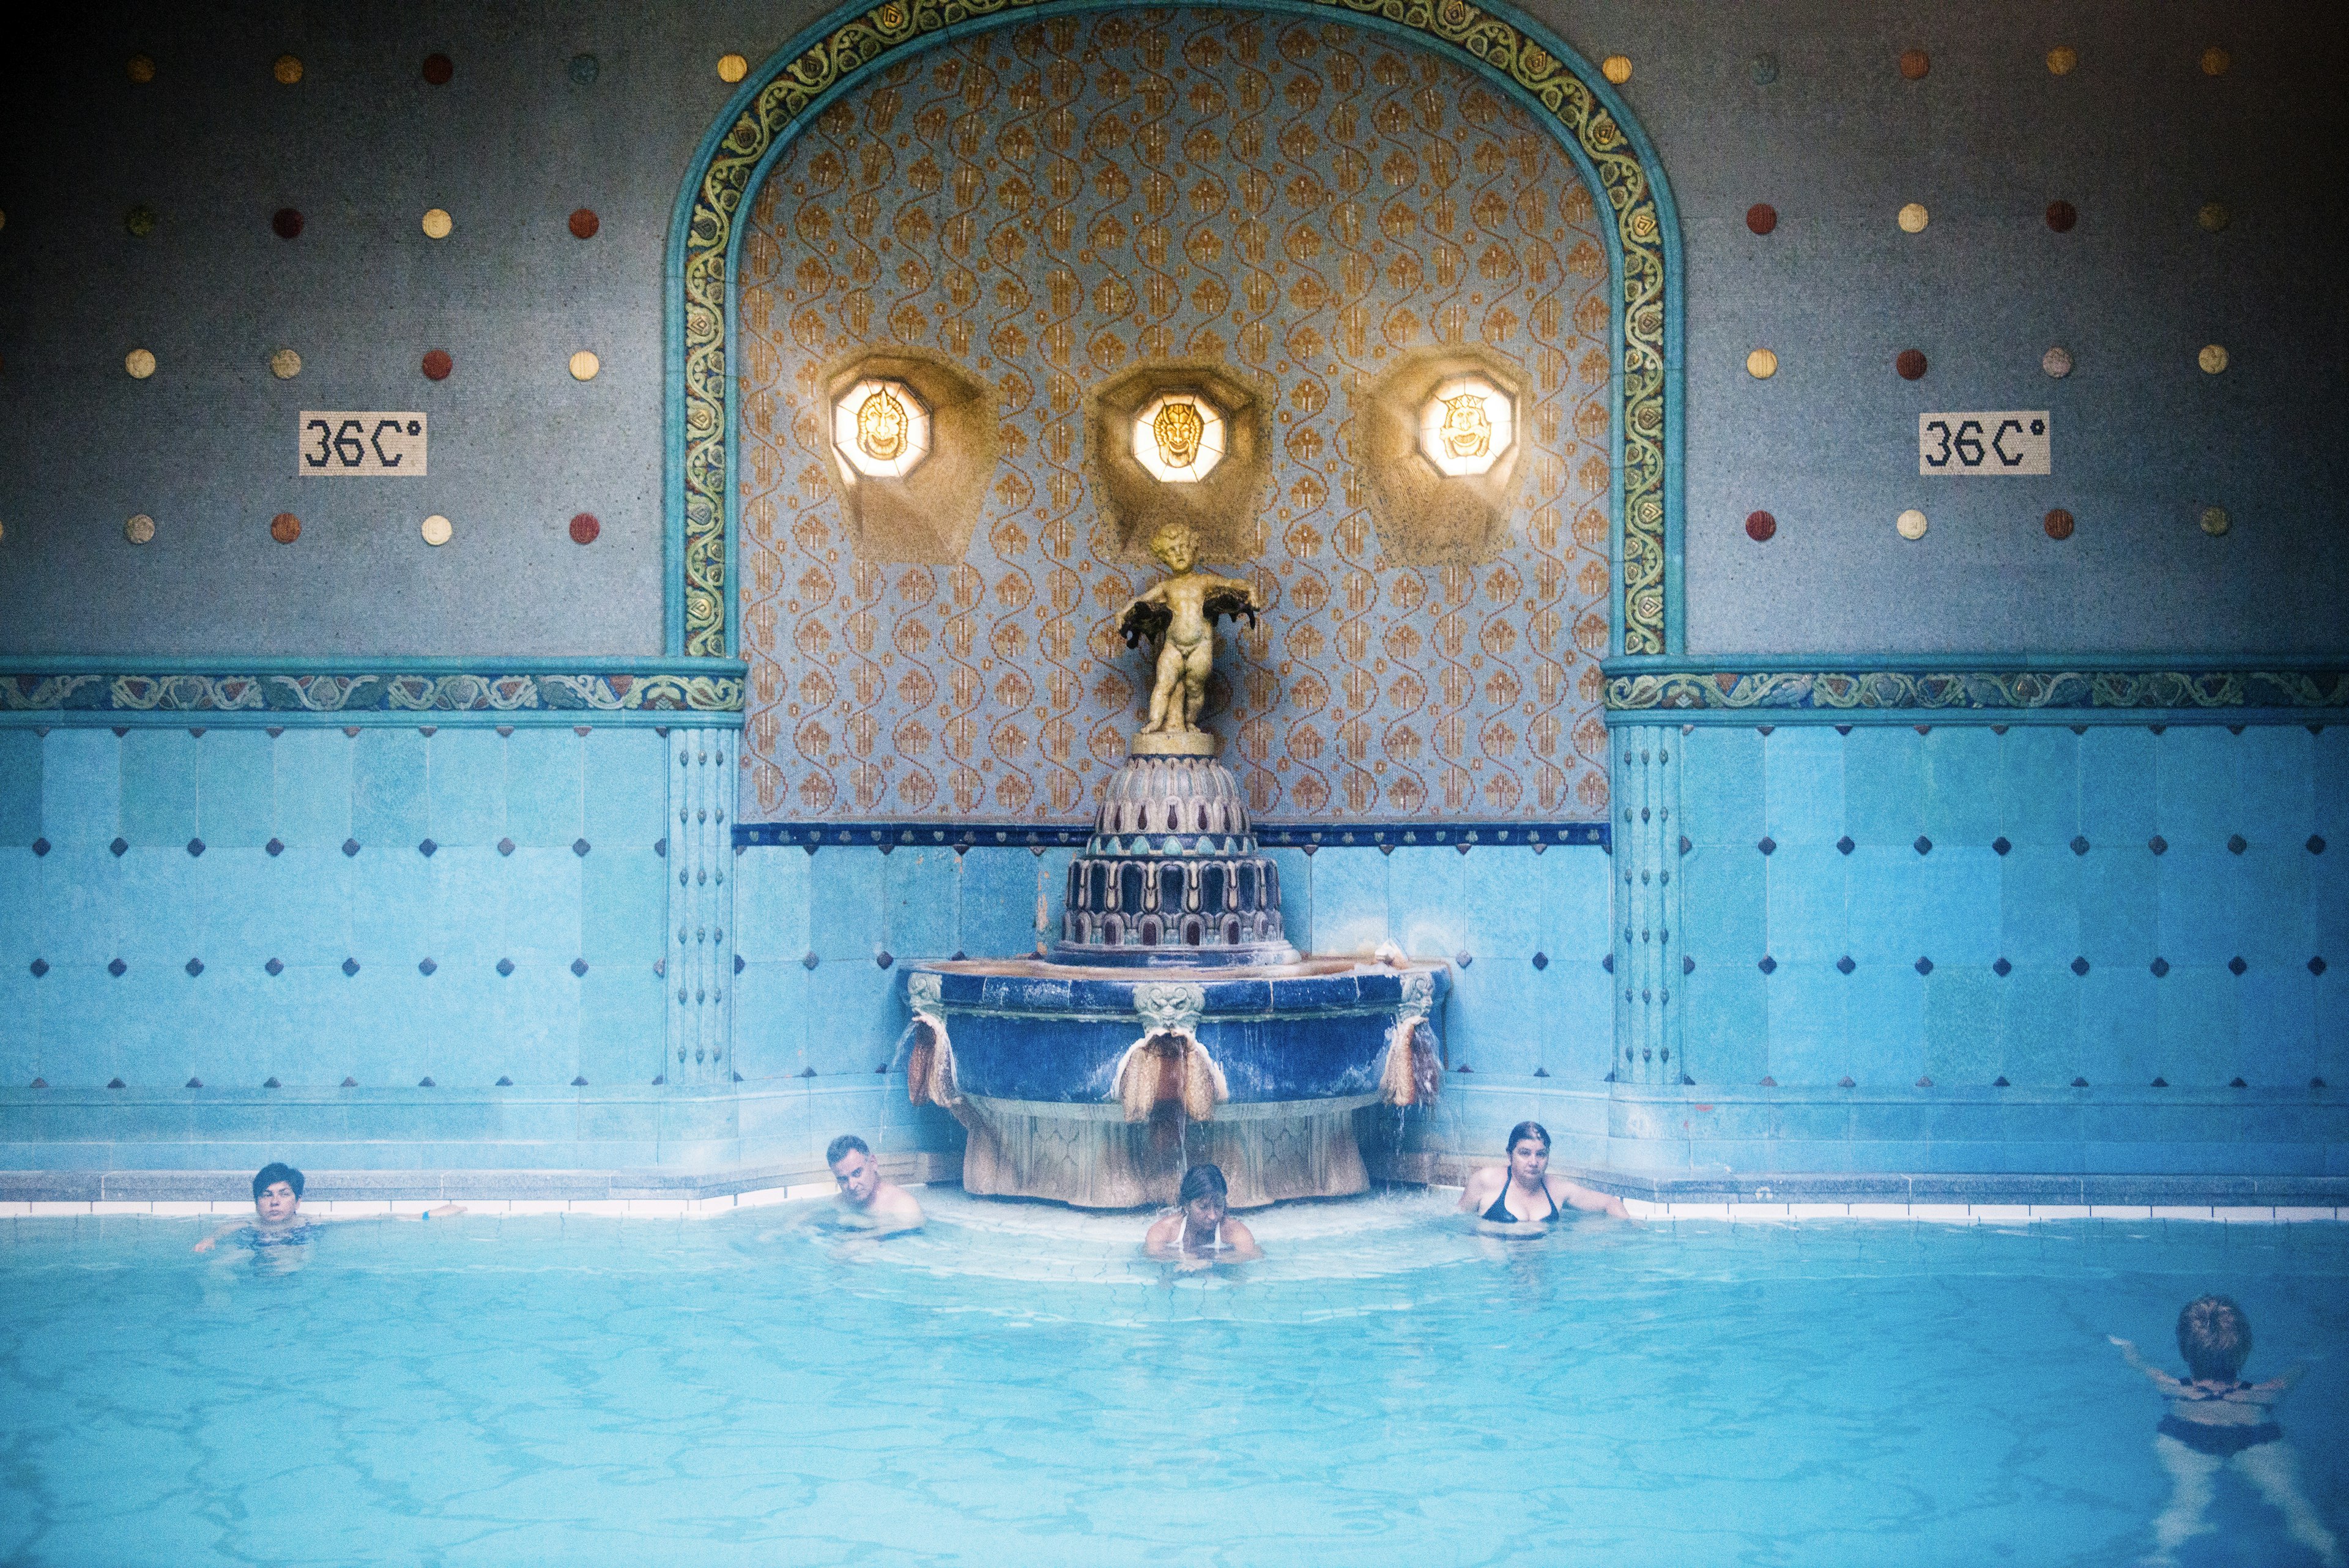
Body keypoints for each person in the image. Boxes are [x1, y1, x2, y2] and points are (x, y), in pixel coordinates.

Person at [2111, 1295, 2342, 1567]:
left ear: (2185, 1352)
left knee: (2186, 1503)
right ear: (2245, 1350)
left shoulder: (2176, 1389)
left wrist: (2128, 1348)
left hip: (2188, 1434)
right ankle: (2330, 1554)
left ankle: (2161, 1555)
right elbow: (2289, 1379)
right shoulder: (2260, 1394)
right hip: (2255, 1435)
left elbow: (2142, 1368)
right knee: (2293, 1504)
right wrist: (2307, 1358)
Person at [191, 1162, 462, 1252]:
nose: (274, 1201)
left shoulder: (311, 1224)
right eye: (267, 1195)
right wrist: (210, 1239)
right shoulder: (248, 1226)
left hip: (295, 1251)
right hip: (254, 1250)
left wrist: (425, 1215)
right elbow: (224, 1229)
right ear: (257, 1202)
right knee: (223, 1268)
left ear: (297, 1202)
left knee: (288, 1259)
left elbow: (375, 1217)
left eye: (283, 1194)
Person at [1457, 1121, 1628, 1227]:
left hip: (1541, 1270)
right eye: (1525, 1153)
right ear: (1510, 1155)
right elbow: (1458, 1222)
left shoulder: (1558, 1190)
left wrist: (1630, 1232)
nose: (1533, 1162)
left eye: (1541, 1154)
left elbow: (1611, 1203)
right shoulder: (1485, 1181)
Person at [1144, 1163, 1262, 1269]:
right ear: (1186, 1205)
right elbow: (1152, 1254)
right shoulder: (1164, 1230)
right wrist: (1185, 1259)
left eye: (1218, 1206)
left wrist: (1208, 1260)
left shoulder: (1234, 1231)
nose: (1212, 1216)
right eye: (1203, 1207)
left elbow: (1253, 1254)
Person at [825, 1134, 924, 1233]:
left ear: (873, 1163)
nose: (852, 1186)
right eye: (843, 1179)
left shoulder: (904, 1208)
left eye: (857, 1173)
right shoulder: (839, 1203)